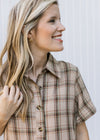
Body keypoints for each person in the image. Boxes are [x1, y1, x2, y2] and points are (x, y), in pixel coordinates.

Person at [0, 0, 96, 139]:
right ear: (28, 31)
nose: (62, 27)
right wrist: (3, 114)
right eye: (52, 21)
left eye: (59, 20)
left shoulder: (71, 74)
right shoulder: (4, 77)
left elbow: (81, 133)